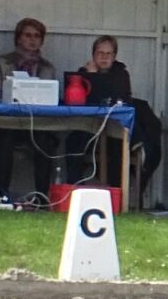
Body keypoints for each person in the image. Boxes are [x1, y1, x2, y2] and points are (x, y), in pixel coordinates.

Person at [64, 36, 162, 200]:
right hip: (89, 125)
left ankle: (116, 199)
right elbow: (81, 101)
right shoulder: (82, 74)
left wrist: (96, 79)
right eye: (100, 53)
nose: (104, 57)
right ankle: (73, 194)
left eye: (108, 54)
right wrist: (91, 76)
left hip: (115, 127)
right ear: (93, 54)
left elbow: (117, 97)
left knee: (117, 146)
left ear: (114, 56)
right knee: (73, 141)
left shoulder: (121, 74)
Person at [0, 18, 58, 203]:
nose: (32, 40)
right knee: (4, 139)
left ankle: (42, 199)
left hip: (37, 124)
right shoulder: (2, 62)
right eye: (27, 35)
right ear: (18, 38)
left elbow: (51, 99)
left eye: (37, 36)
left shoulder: (47, 67)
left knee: (46, 142)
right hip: (8, 122)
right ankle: (2, 196)